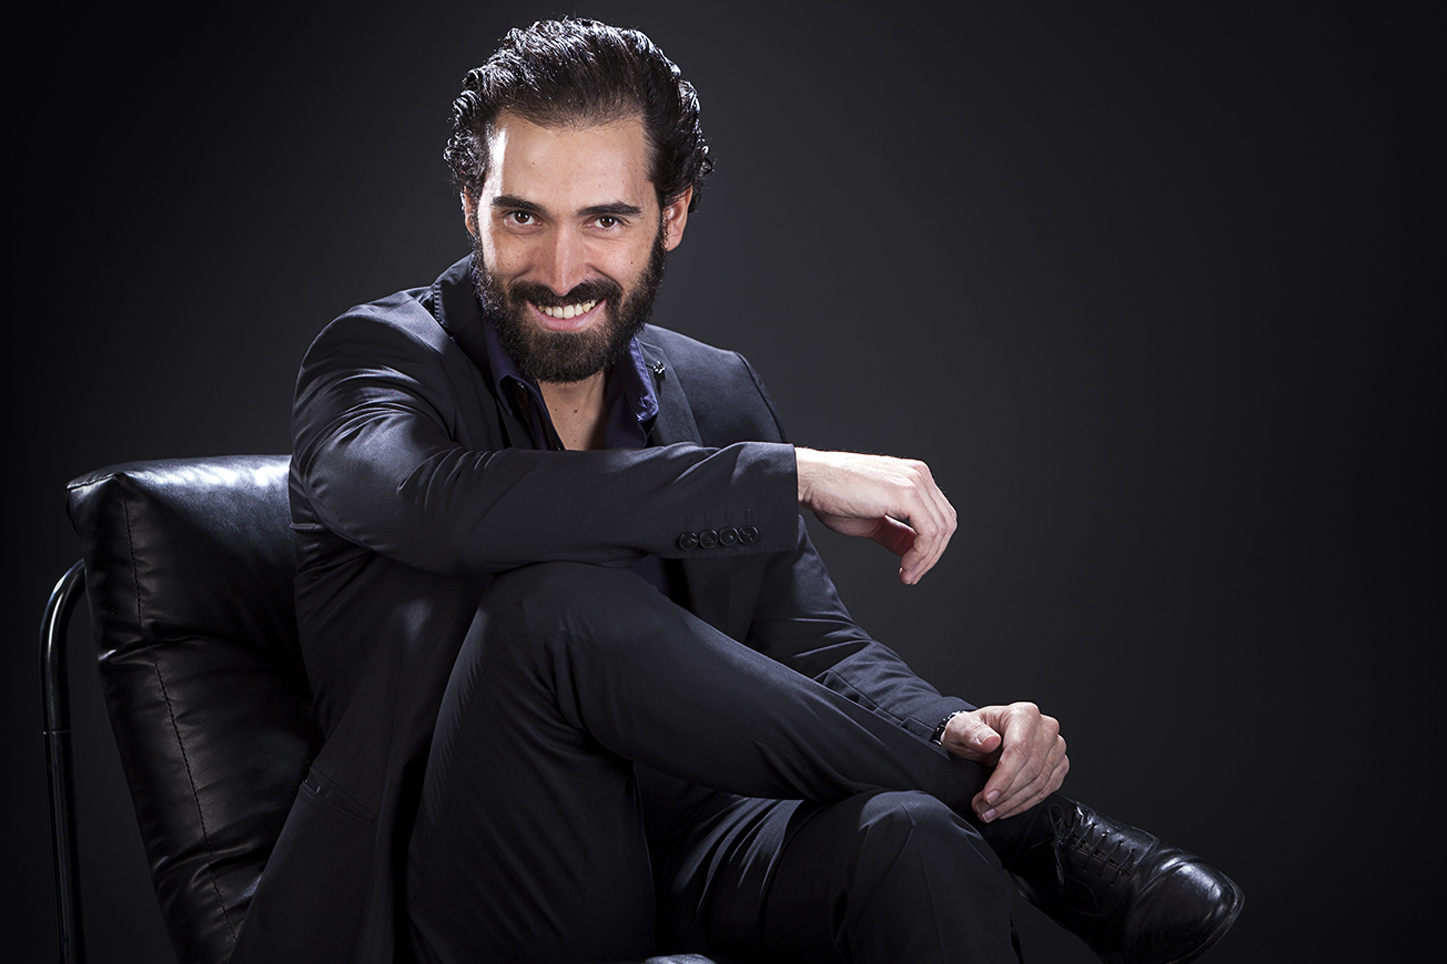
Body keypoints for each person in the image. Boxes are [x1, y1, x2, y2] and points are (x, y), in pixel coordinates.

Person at [234, 18, 1242, 964]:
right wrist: (786, 475)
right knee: (555, 611)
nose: (560, 268)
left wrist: (959, 732)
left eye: (605, 219)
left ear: (671, 216)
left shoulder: (714, 388)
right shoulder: (373, 362)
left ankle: (978, 803)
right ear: (471, 207)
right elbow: (433, 503)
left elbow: (809, 643)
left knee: (911, 838)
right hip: (463, 873)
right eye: (521, 216)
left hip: (696, 839)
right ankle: (1035, 838)